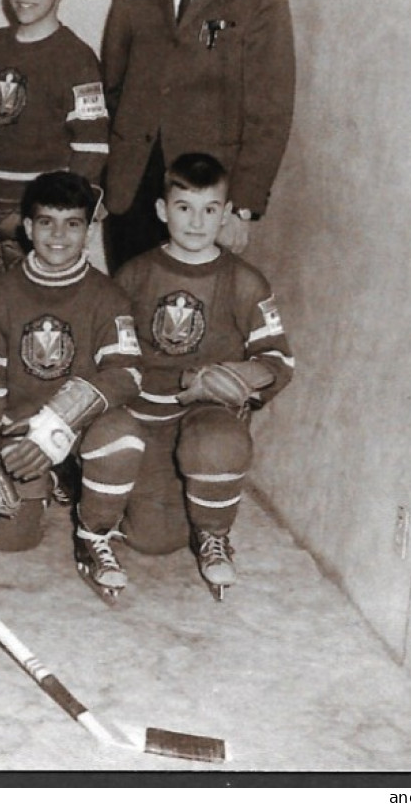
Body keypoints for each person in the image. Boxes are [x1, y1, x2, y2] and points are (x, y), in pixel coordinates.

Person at [112, 152, 293, 599]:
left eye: (210, 210)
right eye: (184, 208)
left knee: (220, 441)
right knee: (151, 541)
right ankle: (160, 490)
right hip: (147, 413)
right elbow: (107, 350)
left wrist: (232, 375)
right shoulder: (133, 274)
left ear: (226, 214)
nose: (196, 222)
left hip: (205, 412)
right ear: (161, 210)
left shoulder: (245, 280)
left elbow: (278, 362)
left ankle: (214, 533)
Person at [101, 0, 296, 269]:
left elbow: (269, 113)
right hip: (133, 189)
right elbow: (111, 89)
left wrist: (241, 206)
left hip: (207, 200)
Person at [0, 171, 146, 600]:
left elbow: (128, 374)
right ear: (28, 228)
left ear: (88, 230)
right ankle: (51, 479)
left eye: (73, 223)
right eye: (46, 222)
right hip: (21, 429)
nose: (59, 235)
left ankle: (94, 534)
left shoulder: (108, 295)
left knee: (125, 438)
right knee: (13, 540)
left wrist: (58, 423)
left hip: (79, 423)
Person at [0, 0, 109, 296]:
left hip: (36, 217)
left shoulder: (77, 58)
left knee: (34, 302)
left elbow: (92, 149)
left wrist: (49, 212)